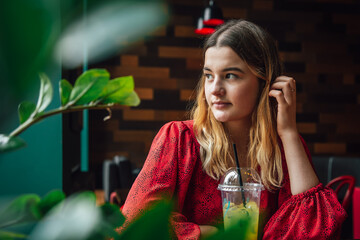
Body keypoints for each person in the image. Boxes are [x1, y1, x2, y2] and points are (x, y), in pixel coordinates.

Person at [119, 19, 346, 239]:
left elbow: (319, 230)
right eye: (209, 76)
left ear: (264, 82)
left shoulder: (285, 148)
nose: (215, 89)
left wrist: (288, 132)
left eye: (230, 76)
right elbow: (134, 226)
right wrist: (208, 234)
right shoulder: (179, 139)